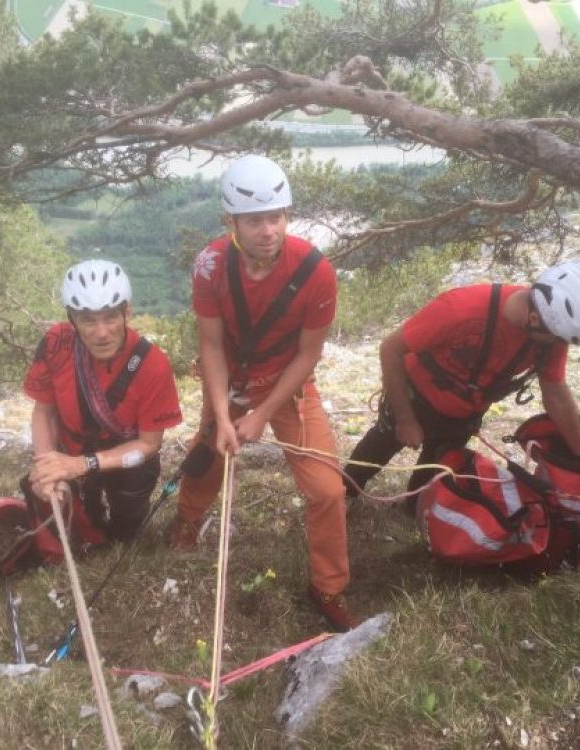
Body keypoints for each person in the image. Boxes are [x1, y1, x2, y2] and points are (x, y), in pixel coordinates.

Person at [167, 154, 358, 632]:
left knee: (327, 490)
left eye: (276, 217)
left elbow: (307, 354)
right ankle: (186, 524)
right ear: (232, 221)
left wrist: (262, 413)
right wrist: (222, 413)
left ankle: (328, 587)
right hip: (230, 377)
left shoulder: (316, 272)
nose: (268, 230)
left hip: (288, 385)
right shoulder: (211, 265)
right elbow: (210, 343)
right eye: (254, 220)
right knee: (208, 455)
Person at [343, 261, 580, 506]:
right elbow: (391, 349)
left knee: (427, 489)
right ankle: (342, 495)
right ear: (534, 318)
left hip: (463, 415)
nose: (558, 346)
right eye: (557, 338)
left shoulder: (548, 336)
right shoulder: (460, 308)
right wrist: (405, 420)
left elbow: (556, 394)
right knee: (375, 450)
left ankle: (412, 510)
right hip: (413, 398)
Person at [24, 259, 183, 544]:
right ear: (72, 320)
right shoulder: (56, 344)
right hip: (70, 448)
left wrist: (81, 465)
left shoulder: (152, 364)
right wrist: (48, 466)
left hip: (127, 456)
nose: (101, 332)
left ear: (127, 312)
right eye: (88, 320)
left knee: (126, 526)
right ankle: (91, 521)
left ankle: (123, 528)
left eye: (110, 317)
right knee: (82, 527)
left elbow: (149, 444)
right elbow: (44, 412)